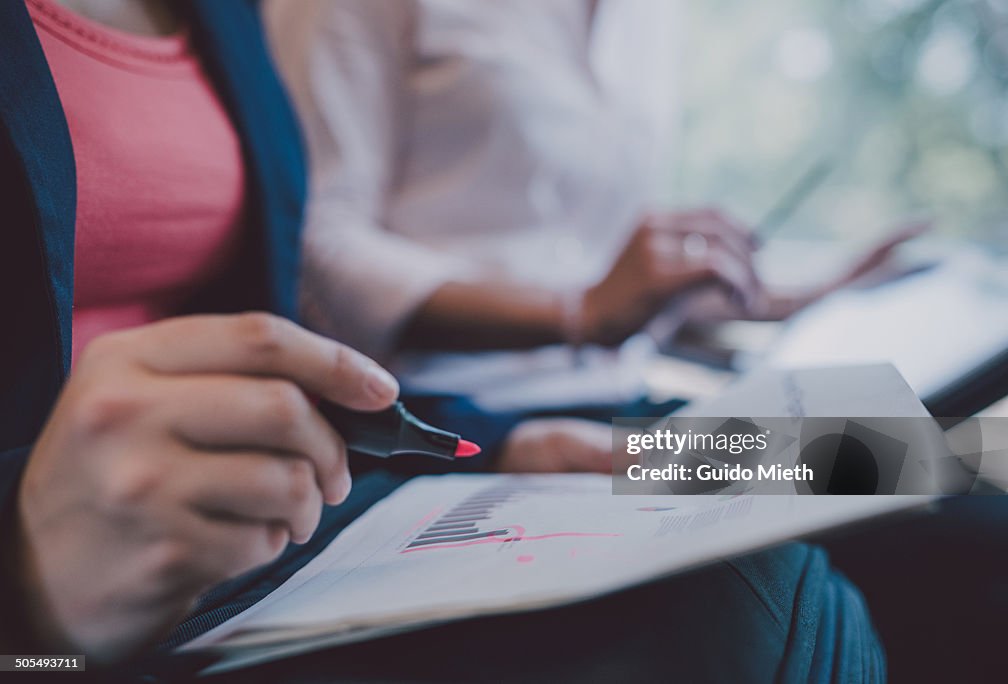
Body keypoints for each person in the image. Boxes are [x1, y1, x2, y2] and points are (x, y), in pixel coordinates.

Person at [0, 1, 883, 680]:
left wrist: (746, 300)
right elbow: (324, 259)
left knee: (917, 454)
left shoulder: (221, 21)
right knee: (767, 600)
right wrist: (25, 598)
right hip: (78, 596)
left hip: (472, 436)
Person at [263, 0, 924, 412]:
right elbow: (316, 242)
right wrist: (578, 314)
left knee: (948, 466)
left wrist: (808, 294)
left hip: (618, 405)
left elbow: (611, 279)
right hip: (456, 422)